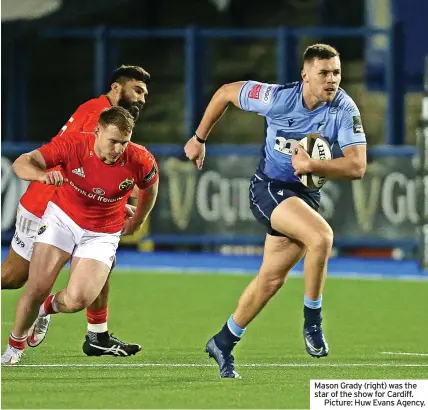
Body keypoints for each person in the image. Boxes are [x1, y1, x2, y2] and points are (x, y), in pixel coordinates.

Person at [184, 44, 367, 378]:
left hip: (303, 195)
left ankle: (223, 341)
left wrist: (311, 164)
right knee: (322, 237)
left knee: (270, 280)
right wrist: (199, 138)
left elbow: (357, 166)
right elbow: (225, 92)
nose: (331, 80)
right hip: (268, 188)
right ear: (305, 75)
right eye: (323, 73)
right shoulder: (276, 98)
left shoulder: (343, 108)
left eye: (336, 73)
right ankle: (313, 322)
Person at [2, 65, 150, 357]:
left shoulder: (107, 116)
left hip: (78, 204)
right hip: (49, 202)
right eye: (138, 89)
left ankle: (98, 334)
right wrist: (110, 198)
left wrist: (112, 200)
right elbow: (84, 164)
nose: (143, 98)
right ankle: (89, 331)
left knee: (103, 261)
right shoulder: (97, 116)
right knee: (13, 277)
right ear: (117, 88)